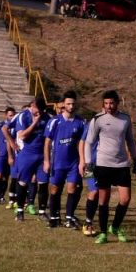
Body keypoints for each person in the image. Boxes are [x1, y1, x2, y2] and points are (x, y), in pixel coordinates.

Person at [83, 90, 136, 244]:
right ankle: (102, 233)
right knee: (104, 199)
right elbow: (88, 142)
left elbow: (131, 141)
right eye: (106, 103)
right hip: (103, 164)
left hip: (121, 164)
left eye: (112, 103)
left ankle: (115, 226)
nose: (109, 106)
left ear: (117, 102)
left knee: (125, 199)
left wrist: (135, 159)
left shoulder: (125, 119)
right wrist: (88, 162)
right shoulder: (98, 119)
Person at [44, 91, 85, 229]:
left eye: (73, 104)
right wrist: (46, 161)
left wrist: (82, 161)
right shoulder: (55, 121)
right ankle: (54, 216)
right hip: (57, 162)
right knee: (55, 189)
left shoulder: (80, 122)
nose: (71, 106)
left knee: (72, 188)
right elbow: (47, 142)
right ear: (63, 104)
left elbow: (81, 142)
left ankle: (69, 217)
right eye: (68, 104)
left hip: (73, 162)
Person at [12, 97, 50, 222]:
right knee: (22, 183)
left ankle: (42, 212)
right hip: (27, 154)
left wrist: (47, 159)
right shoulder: (23, 116)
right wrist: (35, 122)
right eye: (37, 110)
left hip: (42, 155)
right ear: (32, 105)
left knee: (43, 183)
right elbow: (22, 136)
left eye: (42, 111)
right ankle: (20, 211)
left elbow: (48, 139)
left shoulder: (47, 117)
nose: (39, 113)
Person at [77, 117, 100, 236]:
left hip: (105, 164)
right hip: (90, 165)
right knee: (94, 191)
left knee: (100, 193)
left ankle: (94, 221)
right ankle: (87, 223)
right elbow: (82, 142)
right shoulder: (93, 123)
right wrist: (82, 161)